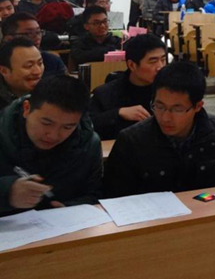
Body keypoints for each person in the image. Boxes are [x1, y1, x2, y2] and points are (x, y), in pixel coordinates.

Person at [103, 62, 215, 198]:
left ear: (197, 106)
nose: (165, 118)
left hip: (211, 214)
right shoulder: (131, 140)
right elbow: (114, 197)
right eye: (159, 106)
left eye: (177, 109)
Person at [0, 75, 99, 216]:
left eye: (67, 127)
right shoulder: (3, 133)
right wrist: (7, 192)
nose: (53, 135)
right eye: (46, 123)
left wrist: (70, 208)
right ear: (27, 109)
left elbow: (93, 195)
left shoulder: (88, 144)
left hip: (61, 225)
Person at [88, 35, 166, 140]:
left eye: (163, 60)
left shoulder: (169, 91)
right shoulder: (105, 93)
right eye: (153, 62)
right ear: (132, 65)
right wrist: (118, 113)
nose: (160, 67)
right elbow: (87, 125)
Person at [2, 13, 65, 78]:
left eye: (38, 32)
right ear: (9, 39)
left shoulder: (51, 61)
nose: (37, 37)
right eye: (29, 33)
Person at [0, 39, 44, 110]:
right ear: (4, 71)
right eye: (28, 66)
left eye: (40, 63)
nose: (37, 71)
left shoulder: (51, 94)